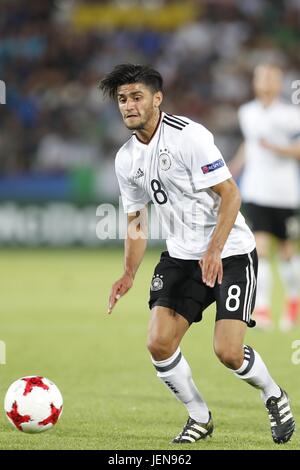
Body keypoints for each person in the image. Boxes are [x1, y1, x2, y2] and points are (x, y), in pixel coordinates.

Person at [100, 63, 295, 444]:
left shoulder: (189, 137)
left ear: (158, 99)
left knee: (227, 351)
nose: (128, 106)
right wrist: (128, 274)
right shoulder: (126, 159)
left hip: (232, 253)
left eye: (136, 97)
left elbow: (231, 194)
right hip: (181, 256)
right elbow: (137, 220)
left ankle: (274, 395)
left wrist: (214, 250)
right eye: (122, 100)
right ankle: (199, 417)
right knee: (158, 342)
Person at [231, 64, 300, 331]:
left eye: (271, 77)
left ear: (280, 83)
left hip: (285, 194)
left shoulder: (291, 115)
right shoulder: (246, 112)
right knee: (259, 249)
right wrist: (232, 169)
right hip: (255, 190)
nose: (266, 81)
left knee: (286, 251)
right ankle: (263, 308)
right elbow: (249, 144)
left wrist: (276, 148)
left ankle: (293, 304)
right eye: (261, 76)